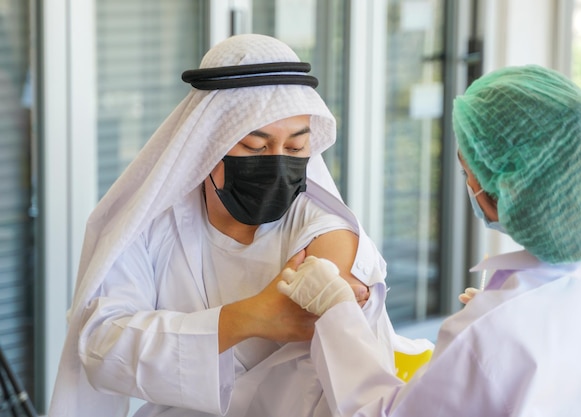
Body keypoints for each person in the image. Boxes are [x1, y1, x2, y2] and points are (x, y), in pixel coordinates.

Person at [47, 34, 432, 417]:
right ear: (206, 145)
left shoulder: (321, 224)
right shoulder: (152, 222)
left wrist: (205, 331)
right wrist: (249, 317)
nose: (278, 163)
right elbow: (102, 343)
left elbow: (333, 284)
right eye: (255, 147)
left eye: (296, 148)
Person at [278, 64, 581, 416]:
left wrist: (337, 312)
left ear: (502, 192)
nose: (469, 185)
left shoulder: (495, 331)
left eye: (468, 170)